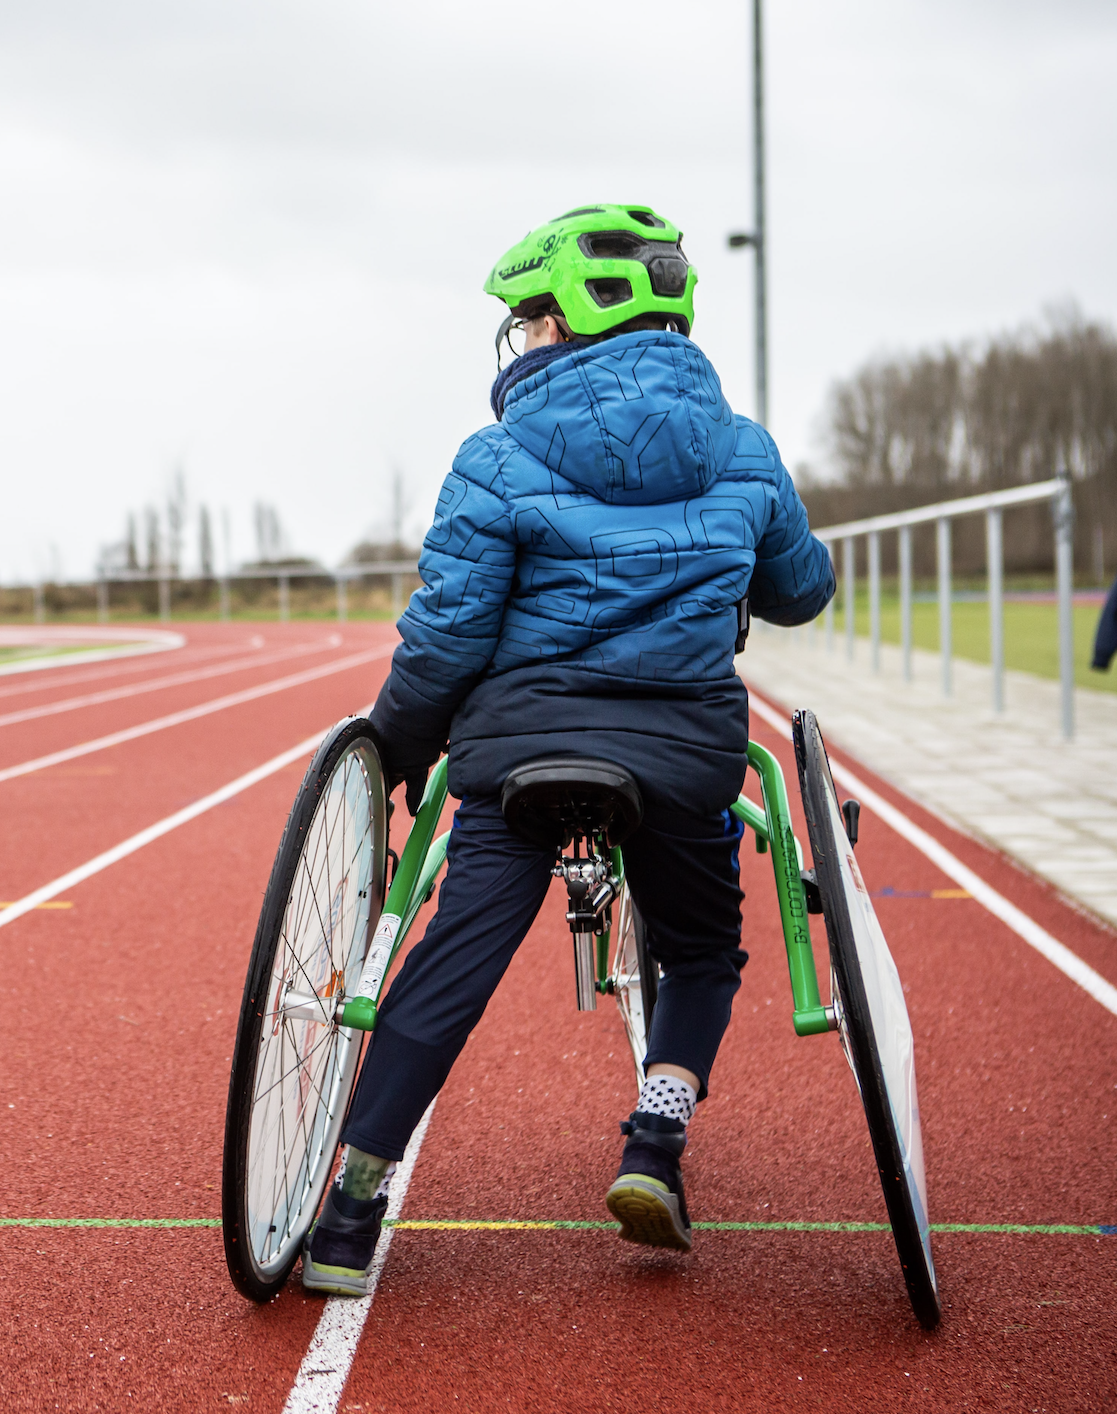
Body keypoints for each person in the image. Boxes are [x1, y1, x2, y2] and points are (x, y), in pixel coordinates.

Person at [299, 204, 834, 1296]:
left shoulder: (494, 456)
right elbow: (798, 591)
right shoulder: (739, 448)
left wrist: (396, 742)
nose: (520, 339)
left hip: (522, 754)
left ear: (561, 326)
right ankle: (654, 1137)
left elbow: (445, 635)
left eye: (526, 320)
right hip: (686, 753)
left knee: (455, 956)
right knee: (700, 952)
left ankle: (351, 1206)